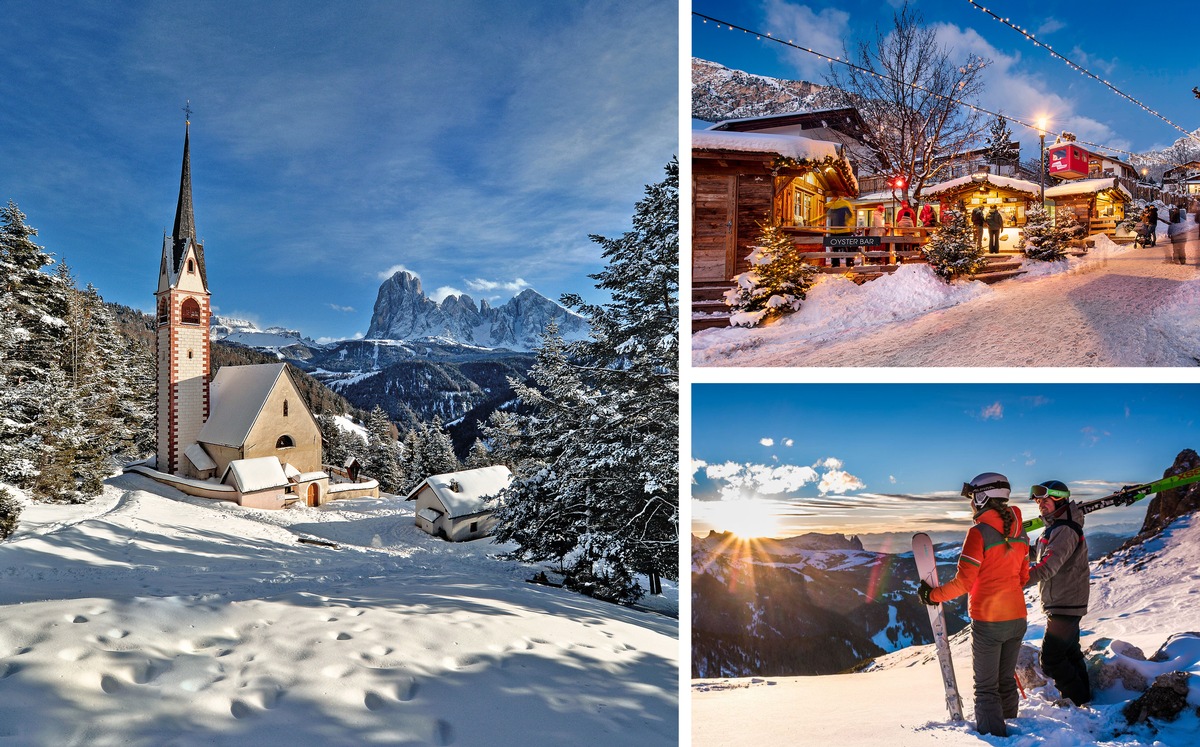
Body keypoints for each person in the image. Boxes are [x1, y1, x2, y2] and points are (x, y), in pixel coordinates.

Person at [919, 472, 1029, 737]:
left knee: (986, 687)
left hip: (989, 622)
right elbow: (1024, 577)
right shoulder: (1021, 532)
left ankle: (995, 739)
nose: (971, 503)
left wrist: (932, 596)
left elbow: (963, 583)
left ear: (983, 497)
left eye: (972, 497)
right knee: (1005, 681)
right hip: (1018, 619)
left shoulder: (978, 533)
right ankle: (1013, 728)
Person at [1028, 480, 1093, 707]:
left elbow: (1047, 567)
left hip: (1065, 603)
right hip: (1065, 601)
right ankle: (1084, 699)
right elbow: (1041, 555)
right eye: (1038, 501)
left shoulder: (1064, 529)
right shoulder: (1055, 528)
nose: (1040, 504)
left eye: (1045, 500)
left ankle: (1075, 701)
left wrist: (1013, 580)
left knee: (1051, 660)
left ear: (1059, 498)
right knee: (1070, 653)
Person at [826, 196, 855, 267]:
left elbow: (851, 216)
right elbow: (851, 216)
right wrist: (848, 224)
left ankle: (837, 263)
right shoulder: (841, 204)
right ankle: (848, 262)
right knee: (846, 247)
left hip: (838, 230)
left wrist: (847, 224)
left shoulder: (840, 204)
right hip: (840, 230)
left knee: (839, 248)